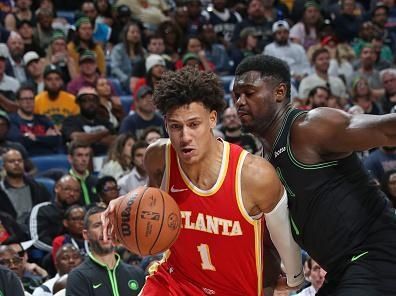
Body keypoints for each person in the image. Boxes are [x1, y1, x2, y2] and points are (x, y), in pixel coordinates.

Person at [103, 67, 304, 295]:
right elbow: (150, 204)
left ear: (212, 119)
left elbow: (283, 236)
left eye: (193, 124)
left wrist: (293, 279)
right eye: (176, 126)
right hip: (174, 282)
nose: (185, 136)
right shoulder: (159, 157)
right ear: (166, 124)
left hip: (235, 289)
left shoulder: (253, 175)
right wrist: (124, 206)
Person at [232, 54, 396, 295]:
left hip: (377, 252)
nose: (240, 102)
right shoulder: (260, 165)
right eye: (236, 95)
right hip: (342, 269)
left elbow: (385, 130)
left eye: (249, 92)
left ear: (279, 92)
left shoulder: (309, 128)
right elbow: (270, 242)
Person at [66, 206, 145, 296]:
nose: (105, 230)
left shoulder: (137, 273)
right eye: (97, 225)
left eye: (109, 225)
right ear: (86, 235)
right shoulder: (78, 277)